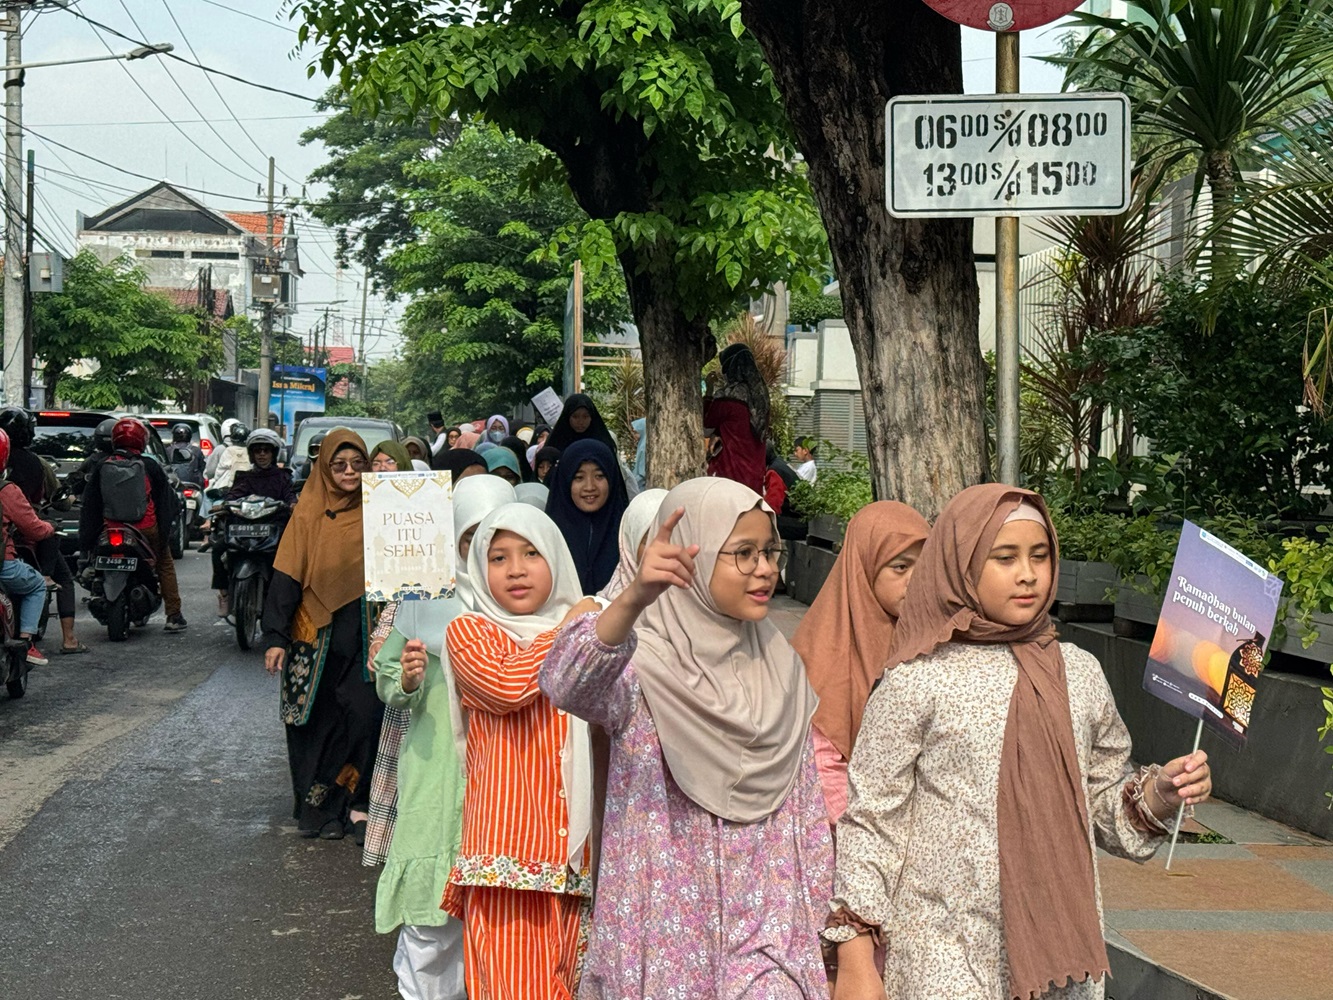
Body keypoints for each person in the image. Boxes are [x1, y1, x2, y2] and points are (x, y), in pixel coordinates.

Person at [828, 484, 1214, 1000]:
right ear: (961, 563)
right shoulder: (916, 681)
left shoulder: (1079, 674)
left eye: (1041, 555)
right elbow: (873, 822)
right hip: (945, 954)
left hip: (1062, 962)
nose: (1028, 574)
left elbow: (1099, 806)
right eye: (1003, 557)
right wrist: (855, 956)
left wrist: (1160, 795)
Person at [539, 477, 831, 998]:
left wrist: (821, 930)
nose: (765, 569)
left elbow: (805, 812)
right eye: (742, 553)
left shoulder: (780, 665)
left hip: (769, 932)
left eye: (769, 551)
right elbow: (564, 683)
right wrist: (631, 600)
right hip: (665, 937)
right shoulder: (642, 664)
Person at [442, 503, 598, 998]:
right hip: (506, 853)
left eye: (531, 553)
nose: (515, 569)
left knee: (565, 987)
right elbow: (505, 686)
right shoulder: (470, 631)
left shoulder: (591, 634)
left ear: (556, 557)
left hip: (573, 854)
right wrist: (570, 630)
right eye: (498, 557)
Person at [368, 476, 514, 1000]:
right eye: (470, 537)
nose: (480, 553)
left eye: (495, 543)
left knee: (492, 915)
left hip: (504, 779)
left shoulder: (528, 603)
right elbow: (386, 675)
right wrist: (406, 678)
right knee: (432, 920)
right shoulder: (425, 599)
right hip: (435, 770)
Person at [262, 429, 384, 841]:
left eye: (358, 464)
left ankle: (355, 805)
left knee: (366, 717)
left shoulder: (384, 511)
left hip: (368, 633)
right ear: (325, 469)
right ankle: (316, 810)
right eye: (340, 465)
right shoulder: (308, 512)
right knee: (314, 723)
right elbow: (285, 576)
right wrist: (276, 637)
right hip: (314, 636)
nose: (350, 472)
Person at [791, 501, 929, 827]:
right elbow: (822, 768)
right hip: (855, 833)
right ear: (864, 566)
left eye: (925, 568)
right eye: (900, 567)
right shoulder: (826, 650)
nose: (916, 580)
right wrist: (871, 833)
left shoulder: (930, 638)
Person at [79, 417, 185, 633]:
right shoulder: (150, 465)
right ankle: (173, 615)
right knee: (164, 561)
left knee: (92, 561)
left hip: (110, 529)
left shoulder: (102, 465)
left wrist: (86, 544)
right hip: (145, 528)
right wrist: (166, 531)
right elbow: (166, 500)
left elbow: (90, 505)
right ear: (142, 440)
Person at [0, 408, 84, 655]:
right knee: (64, 579)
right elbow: (42, 519)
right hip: (24, 536)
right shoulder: (31, 470)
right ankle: (67, 639)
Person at [210, 429, 298, 618]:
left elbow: (290, 496)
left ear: (274, 453)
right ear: (252, 454)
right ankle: (224, 594)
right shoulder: (245, 477)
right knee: (217, 548)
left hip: (274, 530)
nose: (262, 455)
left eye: (266, 450)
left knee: (293, 556)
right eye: (258, 451)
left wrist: (293, 505)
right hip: (244, 530)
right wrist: (223, 505)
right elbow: (233, 496)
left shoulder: (283, 477)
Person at [545, 439, 630, 595]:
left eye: (599, 476)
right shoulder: (546, 535)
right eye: (579, 477)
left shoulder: (628, 533)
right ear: (565, 481)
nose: (590, 487)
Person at [0, 428, 55, 667]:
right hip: (5, 566)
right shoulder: (7, 490)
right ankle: (26, 641)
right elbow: (33, 528)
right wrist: (49, 528)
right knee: (36, 585)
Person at [704, 345, 768, 494]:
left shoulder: (727, 397)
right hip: (755, 480)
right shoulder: (762, 399)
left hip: (730, 477)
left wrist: (708, 391)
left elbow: (705, 428)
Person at [596, 488, 668, 602]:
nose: (662, 551)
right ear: (630, 545)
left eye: (673, 538)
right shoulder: (604, 611)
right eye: (648, 540)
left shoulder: (698, 600)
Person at [546, 393, 616, 453]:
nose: (580, 422)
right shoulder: (556, 443)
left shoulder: (603, 443)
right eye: (575, 417)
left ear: (591, 417)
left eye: (585, 416)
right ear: (567, 417)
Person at [167, 422, 206, 486]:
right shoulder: (196, 450)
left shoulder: (168, 450)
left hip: (175, 484)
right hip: (193, 485)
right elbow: (203, 468)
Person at [630, 417, 647, 489]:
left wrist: (632, 484)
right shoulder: (642, 444)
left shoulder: (644, 447)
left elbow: (642, 474)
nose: (634, 435)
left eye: (636, 432)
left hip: (640, 487)